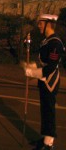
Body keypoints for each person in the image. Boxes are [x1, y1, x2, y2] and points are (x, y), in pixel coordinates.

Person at [25, 14, 65, 150]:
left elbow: (50, 67)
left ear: (48, 24)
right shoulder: (47, 41)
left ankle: (49, 143)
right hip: (43, 80)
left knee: (49, 111)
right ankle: (45, 137)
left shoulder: (55, 43)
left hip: (50, 81)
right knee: (44, 110)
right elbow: (43, 61)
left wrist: (32, 73)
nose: (39, 25)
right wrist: (32, 66)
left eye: (41, 23)